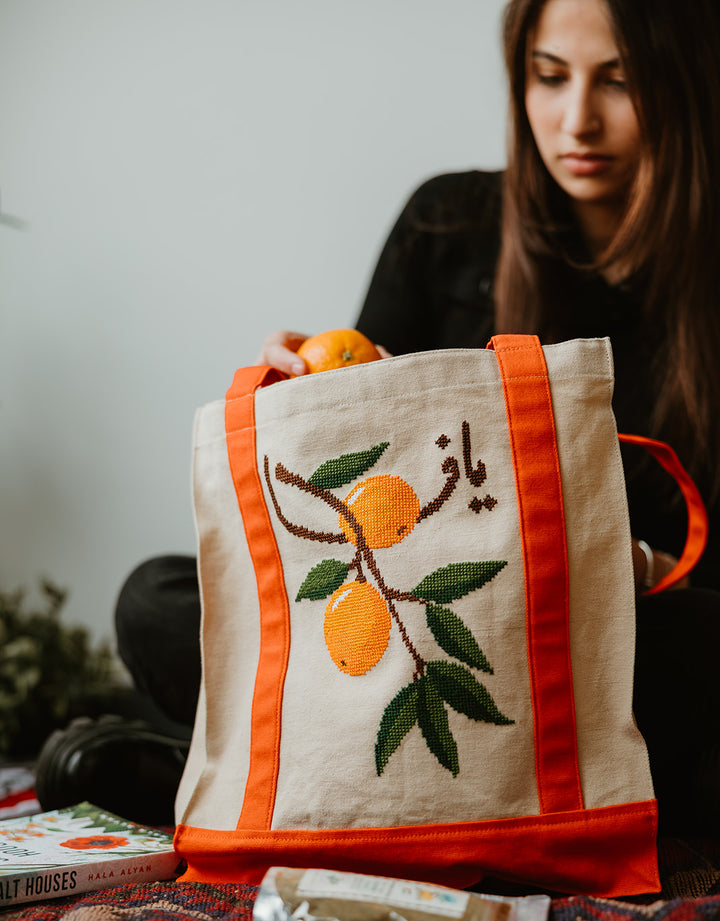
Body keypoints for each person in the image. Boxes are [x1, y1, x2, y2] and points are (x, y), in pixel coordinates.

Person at [37, 0, 720, 834]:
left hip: (598, 641)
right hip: (421, 614)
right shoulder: (447, 225)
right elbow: (352, 505)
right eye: (548, 77)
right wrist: (315, 400)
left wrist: (627, 568)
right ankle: (445, 798)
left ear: (684, 81)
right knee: (160, 598)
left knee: (693, 655)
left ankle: (215, 775)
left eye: (621, 82)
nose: (577, 118)